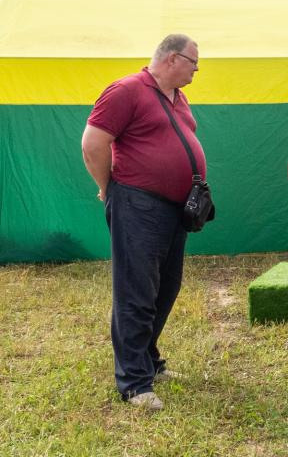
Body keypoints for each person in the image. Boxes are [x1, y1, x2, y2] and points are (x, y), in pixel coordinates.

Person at [81, 34, 205, 411]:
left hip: (174, 208)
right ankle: (134, 383)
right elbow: (93, 143)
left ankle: (148, 360)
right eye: (193, 62)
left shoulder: (178, 97)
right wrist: (109, 189)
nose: (197, 69)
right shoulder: (126, 90)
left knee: (165, 287)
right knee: (136, 292)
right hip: (137, 204)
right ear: (171, 59)